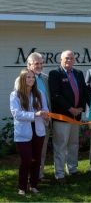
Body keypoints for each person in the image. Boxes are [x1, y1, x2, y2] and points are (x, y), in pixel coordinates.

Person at [48, 50, 88, 183]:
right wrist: (70, 109)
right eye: (66, 58)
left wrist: (81, 107)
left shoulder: (78, 73)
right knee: (60, 145)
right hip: (62, 117)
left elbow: (83, 91)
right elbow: (56, 95)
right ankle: (59, 174)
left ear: (74, 60)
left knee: (74, 144)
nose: (69, 60)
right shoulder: (55, 74)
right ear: (61, 59)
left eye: (71, 58)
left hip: (76, 116)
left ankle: (72, 169)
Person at [10, 68, 49, 195]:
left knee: (36, 160)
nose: (31, 79)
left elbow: (45, 108)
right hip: (23, 132)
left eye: (32, 77)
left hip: (38, 131)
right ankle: (22, 187)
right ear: (22, 79)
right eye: (28, 77)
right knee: (26, 160)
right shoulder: (15, 95)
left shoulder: (39, 93)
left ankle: (33, 185)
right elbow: (17, 114)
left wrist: (45, 114)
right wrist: (35, 114)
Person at [26, 52, 52, 181]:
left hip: (45, 121)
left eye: (41, 63)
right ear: (29, 65)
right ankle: (31, 177)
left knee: (41, 150)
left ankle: (39, 175)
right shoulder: (23, 79)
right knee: (30, 151)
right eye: (36, 63)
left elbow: (47, 99)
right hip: (30, 122)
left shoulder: (45, 78)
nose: (39, 66)